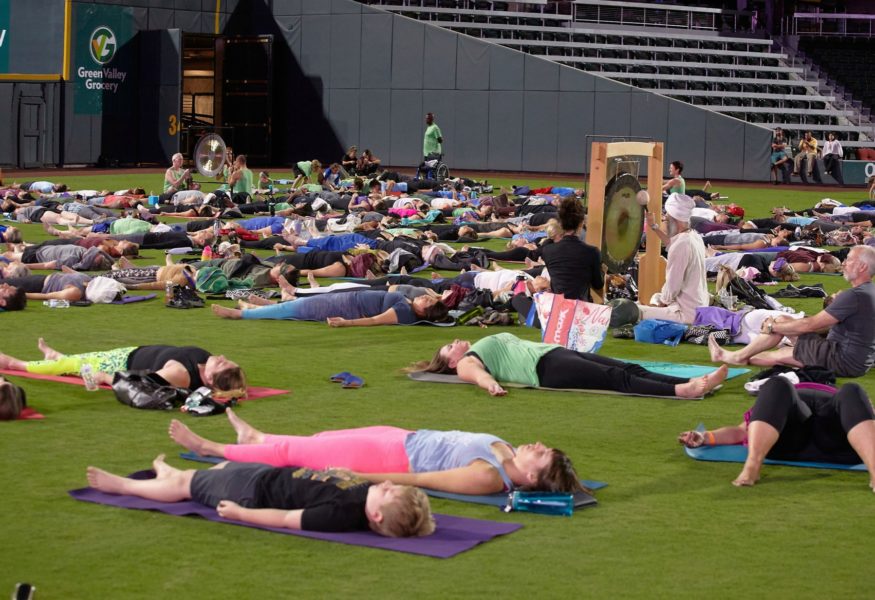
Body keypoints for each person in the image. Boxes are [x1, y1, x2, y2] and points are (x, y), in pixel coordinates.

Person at [168, 407, 584, 494]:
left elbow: (422, 480)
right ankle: (255, 438)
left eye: (541, 454)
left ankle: (206, 446)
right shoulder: (507, 452)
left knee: (297, 455)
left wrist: (362, 479)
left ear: (531, 477)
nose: (538, 445)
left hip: (391, 459)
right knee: (320, 440)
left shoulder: (489, 476)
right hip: (404, 436)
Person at [85, 454, 434, 537]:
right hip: (266, 476)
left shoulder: (342, 515)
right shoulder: (365, 492)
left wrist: (241, 514)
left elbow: (285, 519)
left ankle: (124, 486)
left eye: (389, 492)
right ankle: (166, 472)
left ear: (375, 516)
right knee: (218, 467)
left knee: (186, 486)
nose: (386, 484)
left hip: (251, 494)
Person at [678, 377, 875, 490]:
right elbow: (740, 431)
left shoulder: (841, 398)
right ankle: (752, 466)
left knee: (851, 389)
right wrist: (707, 437)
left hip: (837, 438)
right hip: (789, 439)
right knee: (778, 383)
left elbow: (740, 432)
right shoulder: (782, 397)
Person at [709, 245, 875, 378]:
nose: (844, 263)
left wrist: (773, 327)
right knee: (784, 330)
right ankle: (738, 356)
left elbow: (810, 325)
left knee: (782, 341)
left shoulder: (854, 296)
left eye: (849, 260)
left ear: (862, 266)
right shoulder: (869, 292)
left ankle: (736, 357)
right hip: (856, 362)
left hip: (840, 360)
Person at [418, 332, 727, 399]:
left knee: (628, 367)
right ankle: (682, 390)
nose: (454, 341)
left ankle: (697, 380)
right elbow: (476, 375)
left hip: (554, 353)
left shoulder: (476, 345)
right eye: (448, 347)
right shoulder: (465, 363)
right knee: (614, 378)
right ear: (453, 360)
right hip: (544, 370)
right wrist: (490, 385)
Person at [0, 340, 247, 398]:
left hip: (120, 364)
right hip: (131, 352)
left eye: (223, 363)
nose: (222, 356)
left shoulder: (180, 375)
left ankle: (15, 364)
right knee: (75, 362)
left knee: (69, 365)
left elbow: (140, 383)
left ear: (210, 379)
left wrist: (106, 377)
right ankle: (59, 357)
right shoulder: (204, 362)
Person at [639, 193, 709, 324]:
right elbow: (672, 244)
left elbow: (673, 285)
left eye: (666, 218)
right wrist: (654, 227)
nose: (665, 220)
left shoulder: (682, 245)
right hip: (699, 307)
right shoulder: (694, 236)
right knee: (656, 297)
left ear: (674, 220)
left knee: (634, 310)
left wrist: (662, 303)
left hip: (686, 313)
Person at [210, 289, 448, 326]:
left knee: (295, 309)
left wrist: (346, 323)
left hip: (346, 307)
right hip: (348, 299)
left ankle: (241, 313)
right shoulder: (410, 304)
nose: (425, 298)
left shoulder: (405, 313)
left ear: (423, 313)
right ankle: (264, 305)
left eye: (428, 303)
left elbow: (375, 321)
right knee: (298, 305)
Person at [540, 197, 603, 301]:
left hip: (558, 310)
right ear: (581, 223)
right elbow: (598, 285)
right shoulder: (592, 252)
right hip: (581, 311)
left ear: (560, 223)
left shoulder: (547, 251)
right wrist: (602, 269)